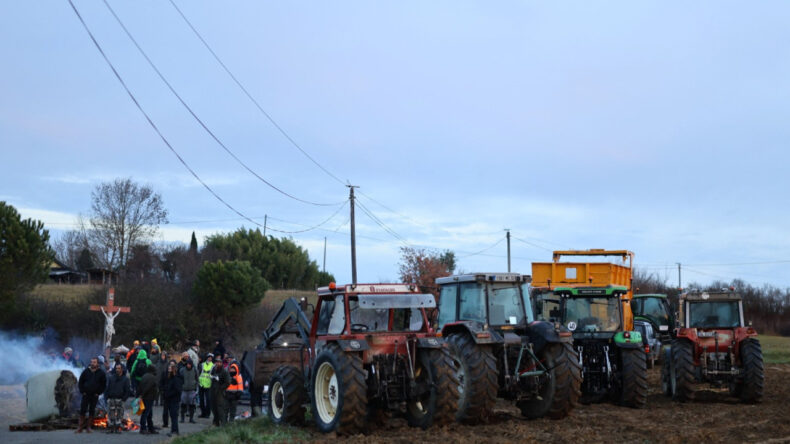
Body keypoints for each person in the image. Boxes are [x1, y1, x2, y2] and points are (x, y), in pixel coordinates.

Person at [76, 357, 107, 433]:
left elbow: (103, 385)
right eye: (92, 362)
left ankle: (88, 427)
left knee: (92, 410)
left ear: (97, 363)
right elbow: (80, 382)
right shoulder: (86, 371)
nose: (92, 363)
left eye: (94, 362)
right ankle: (80, 427)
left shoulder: (101, 373)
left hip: (94, 395)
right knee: (83, 410)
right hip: (86, 394)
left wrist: (98, 393)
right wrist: (82, 391)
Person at [104, 363, 131, 434]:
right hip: (111, 398)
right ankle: (111, 428)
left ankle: (117, 428)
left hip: (120, 399)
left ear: (122, 369)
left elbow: (128, 390)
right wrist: (107, 397)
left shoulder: (125, 379)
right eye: (116, 368)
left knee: (119, 415)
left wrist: (124, 399)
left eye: (119, 368)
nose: (117, 370)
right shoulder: (111, 378)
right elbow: (107, 388)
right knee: (110, 414)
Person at [163, 362, 184, 437]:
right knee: (172, 416)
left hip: (174, 400)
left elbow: (177, 390)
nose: (168, 369)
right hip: (170, 399)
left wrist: (169, 394)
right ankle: (173, 430)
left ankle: (175, 431)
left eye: (170, 368)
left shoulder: (176, 379)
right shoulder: (170, 378)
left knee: (174, 416)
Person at [209, 355, 230, 427]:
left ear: (221, 363)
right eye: (216, 362)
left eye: (219, 362)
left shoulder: (224, 372)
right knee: (213, 408)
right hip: (213, 391)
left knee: (220, 409)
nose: (217, 364)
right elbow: (211, 377)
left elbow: (228, 382)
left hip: (220, 392)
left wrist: (221, 387)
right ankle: (216, 422)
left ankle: (223, 424)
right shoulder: (214, 370)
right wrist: (212, 378)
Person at [138, 365, 159, 435]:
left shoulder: (144, 376)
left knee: (148, 413)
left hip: (145, 397)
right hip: (149, 397)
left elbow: (140, 386)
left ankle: (150, 428)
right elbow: (148, 387)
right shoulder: (152, 378)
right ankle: (143, 428)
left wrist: (140, 395)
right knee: (146, 413)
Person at [225, 355, 244, 423]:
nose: (232, 370)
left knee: (233, 410)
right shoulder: (228, 376)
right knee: (226, 410)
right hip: (227, 395)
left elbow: (240, 386)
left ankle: (231, 422)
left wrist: (238, 394)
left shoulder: (238, 377)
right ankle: (225, 422)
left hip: (234, 395)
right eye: (231, 369)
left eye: (233, 369)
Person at [179, 358, 199, 423]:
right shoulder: (182, 370)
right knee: (183, 405)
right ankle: (182, 418)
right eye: (187, 364)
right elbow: (179, 379)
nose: (188, 365)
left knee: (192, 405)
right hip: (184, 389)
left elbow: (197, 379)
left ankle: (191, 418)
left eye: (189, 364)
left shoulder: (195, 370)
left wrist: (196, 387)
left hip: (192, 390)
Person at [198, 353, 214, 418]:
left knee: (208, 400)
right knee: (201, 400)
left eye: (211, 357)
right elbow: (198, 373)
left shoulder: (213, 366)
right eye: (209, 357)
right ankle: (203, 413)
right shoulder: (202, 364)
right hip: (201, 384)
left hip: (208, 385)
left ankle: (207, 413)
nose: (209, 358)